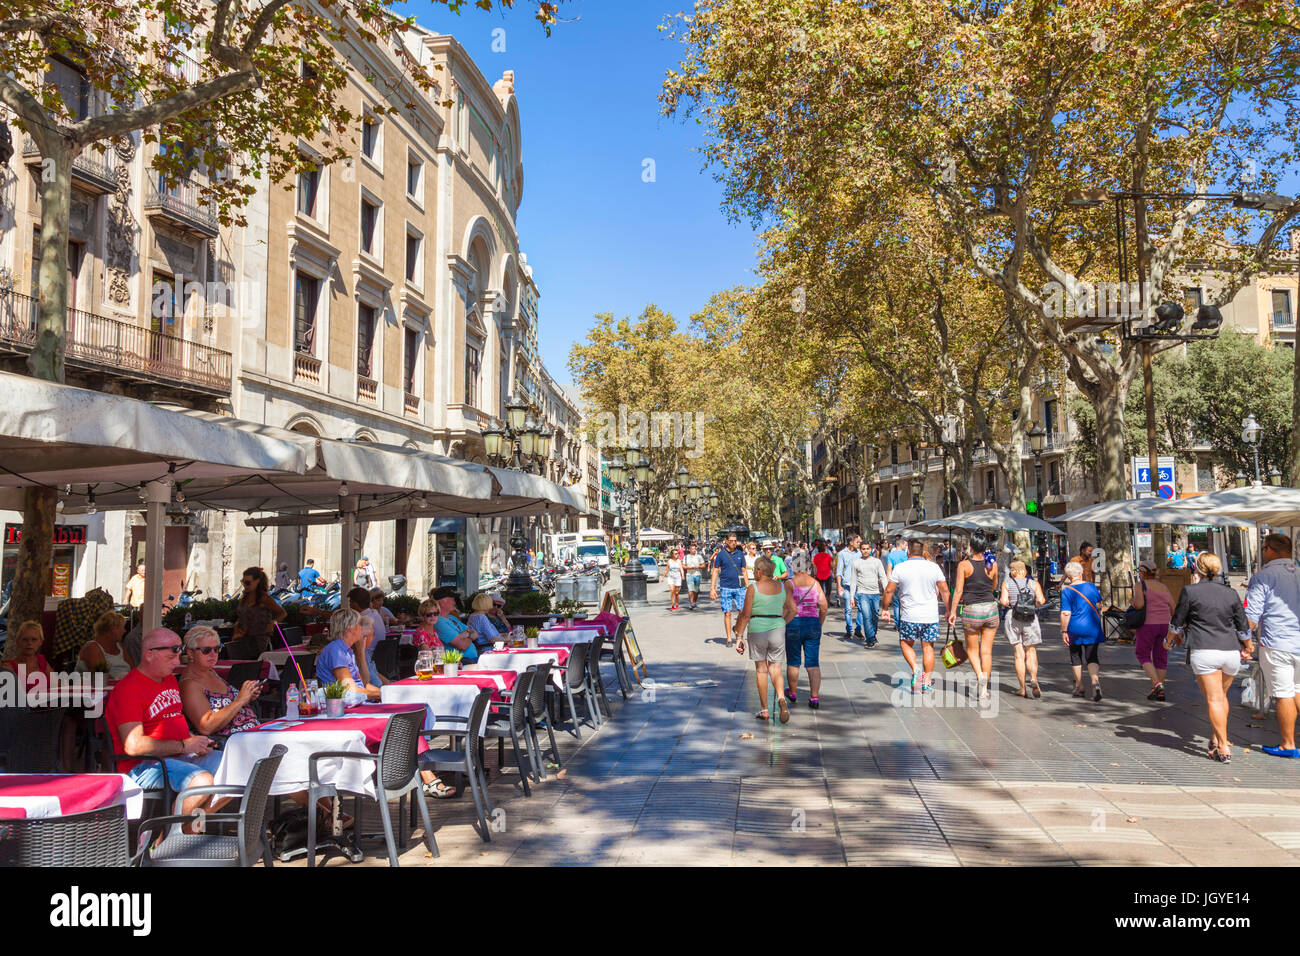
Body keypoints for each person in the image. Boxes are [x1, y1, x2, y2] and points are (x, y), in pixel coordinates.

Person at [106, 627, 222, 830]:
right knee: (202, 781)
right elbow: (133, 746)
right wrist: (183, 745)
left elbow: (172, 722)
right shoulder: (128, 689)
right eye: (171, 656)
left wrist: (195, 741)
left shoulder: (168, 679)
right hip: (142, 765)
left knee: (237, 766)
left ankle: (182, 833)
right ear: (150, 654)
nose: (177, 662)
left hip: (178, 755)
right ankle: (171, 842)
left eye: (178, 655)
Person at [1168, 552, 1251, 762]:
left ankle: (1223, 746)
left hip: (1204, 649)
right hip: (1230, 651)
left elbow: (1177, 622)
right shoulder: (1230, 593)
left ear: (1197, 568)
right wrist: (1248, 647)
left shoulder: (1190, 591)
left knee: (1213, 699)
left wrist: (1168, 640)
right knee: (1221, 697)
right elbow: (1242, 626)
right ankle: (1216, 737)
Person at [1245, 533, 1300, 758]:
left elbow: (1251, 616)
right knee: (1297, 689)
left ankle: (1288, 744)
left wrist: (1243, 640)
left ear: (1269, 549)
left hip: (1277, 642)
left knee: (1283, 693)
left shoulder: (1264, 576)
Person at [882, 540, 951, 694]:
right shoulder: (934, 567)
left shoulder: (900, 568)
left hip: (909, 616)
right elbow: (945, 591)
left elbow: (888, 591)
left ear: (908, 553)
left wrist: (885, 609)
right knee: (928, 648)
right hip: (930, 616)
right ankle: (926, 683)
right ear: (922, 552)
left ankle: (916, 668)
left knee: (905, 644)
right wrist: (949, 610)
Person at [734, 555, 795, 723]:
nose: (754, 572)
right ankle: (781, 697)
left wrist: (739, 636)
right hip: (777, 628)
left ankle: (764, 709)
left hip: (757, 628)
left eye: (755, 570)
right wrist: (782, 621)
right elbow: (793, 610)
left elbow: (745, 615)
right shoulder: (783, 587)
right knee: (775, 667)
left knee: (761, 669)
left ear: (760, 571)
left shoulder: (753, 588)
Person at [179, 626, 262, 744]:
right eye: (206, 650)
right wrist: (240, 700)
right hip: (232, 744)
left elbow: (227, 705)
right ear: (190, 653)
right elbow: (206, 726)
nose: (213, 654)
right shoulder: (190, 684)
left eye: (217, 649)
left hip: (253, 734)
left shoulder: (210, 672)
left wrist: (248, 696)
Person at [947, 531, 1001, 699]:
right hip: (991, 609)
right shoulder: (992, 564)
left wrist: (953, 611)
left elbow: (958, 591)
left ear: (970, 547)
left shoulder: (964, 565)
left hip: (972, 610)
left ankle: (980, 677)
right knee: (987, 651)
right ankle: (984, 690)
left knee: (972, 649)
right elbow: (995, 585)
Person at [1060, 560, 1105, 700]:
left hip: (1075, 627)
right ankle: (1095, 681)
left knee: (1075, 656)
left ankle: (1079, 686)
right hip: (1092, 627)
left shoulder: (1067, 590)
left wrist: (1064, 631)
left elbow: (1065, 613)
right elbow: (1099, 604)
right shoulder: (1091, 586)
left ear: (1068, 576)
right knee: (1092, 657)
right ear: (1081, 573)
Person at [1000, 560, 1045, 697]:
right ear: (1024, 570)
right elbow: (1042, 601)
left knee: (1018, 654)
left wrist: (1011, 602)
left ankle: (1022, 688)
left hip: (1013, 617)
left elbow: (1003, 601)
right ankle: (1033, 678)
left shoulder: (1007, 583)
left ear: (1012, 572)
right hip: (1030, 617)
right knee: (1031, 651)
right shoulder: (1033, 583)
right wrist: (1033, 603)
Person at [315, 607, 381, 700]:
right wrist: (381, 694)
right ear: (350, 628)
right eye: (359, 624)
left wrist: (383, 692)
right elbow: (350, 690)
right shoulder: (336, 650)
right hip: (341, 706)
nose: (361, 628)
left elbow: (363, 684)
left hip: (356, 701)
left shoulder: (347, 650)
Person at [785, 565, 827, 708]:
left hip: (793, 623)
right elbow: (823, 606)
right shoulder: (815, 583)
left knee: (793, 661)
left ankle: (792, 693)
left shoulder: (789, 584)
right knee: (813, 662)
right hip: (812, 623)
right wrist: (819, 623)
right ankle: (814, 697)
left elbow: (787, 607)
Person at [1131, 560, 1174, 701]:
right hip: (1165, 624)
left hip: (1148, 624)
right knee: (1160, 656)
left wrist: (1132, 602)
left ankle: (1157, 684)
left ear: (1143, 573)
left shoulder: (1140, 585)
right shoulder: (1163, 586)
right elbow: (1173, 606)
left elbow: (1139, 605)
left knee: (1142, 653)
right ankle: (1159, 691)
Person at [231, 566, 286, 655]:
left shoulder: (264, 598)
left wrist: (272, 623)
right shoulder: (244, 598)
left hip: (259, 640)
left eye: (247, 583)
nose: (244, 585)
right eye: (243, 582)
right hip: (242, 638)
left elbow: (282, 613)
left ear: (257, 582)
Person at [710, 532, 749, 647]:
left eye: (735, 541)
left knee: (742, 612)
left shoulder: (740, 554)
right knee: (727, 613)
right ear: (726, 541)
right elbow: (716, 571)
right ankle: (728, 638)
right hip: (725, 587)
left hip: (740, 588)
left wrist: (747, 587)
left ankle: (738, 630)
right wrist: (712, 588)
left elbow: (744, 570)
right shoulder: (721, 555)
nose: (733, 543)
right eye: (731, 541)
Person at [848, 540, 888, 648]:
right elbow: (853, 581)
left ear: (870, 549)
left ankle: (873, 635)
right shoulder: (856, 563)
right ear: (860, 550)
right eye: (863, 549)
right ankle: (870, 639)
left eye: (867, 549)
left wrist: (887, 591)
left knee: (874, 616)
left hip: (875, 593)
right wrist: (852, 597)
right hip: (862, 593)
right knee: (866, 616)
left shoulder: (877, 562)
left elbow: (883, 577)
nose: (865, 551)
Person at [77, 610, 134, 680]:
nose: (124, 631)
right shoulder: (92, 648)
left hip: (121, 686)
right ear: (110, 630)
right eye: (121, 628)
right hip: (102, 688)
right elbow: (103, 678)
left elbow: (134, 671)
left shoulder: (119, 646)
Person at [348, 586, 387, 687]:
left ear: (355, 604)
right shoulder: (375, 613)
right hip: (380, 658)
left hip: (369, 658)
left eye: (350, 602)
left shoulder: (362, 621)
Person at [431, 586, 479, 662]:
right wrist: (470, 636)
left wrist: (465, 635)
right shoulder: (439, 622)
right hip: (461, 662)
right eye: (452, 600)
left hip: (471, 659)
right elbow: (462, 645)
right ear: (443, 602)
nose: (454, 602)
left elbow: (475, 633)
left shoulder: (452, 618)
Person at [3, 620, 49, 692]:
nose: (29, 643)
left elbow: (58, 686)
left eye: (34, 639)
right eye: (25, 640)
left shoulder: (42, 661)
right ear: (18, 642)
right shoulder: (9, 667)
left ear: (40, 642)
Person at [835, 534, 863, 637]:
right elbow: (839, 571)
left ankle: (858, 629)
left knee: (861, 608)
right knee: (848, 609)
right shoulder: (842, 554)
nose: (859, 544)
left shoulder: (859, 553)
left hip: (859, 585)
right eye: (857, 542)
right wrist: (839, 586)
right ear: (851, 542)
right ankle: (849, 630)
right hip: (847, 585)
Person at [885, 536, 909, 628]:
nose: (905, 546)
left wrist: (888, 581)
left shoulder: (891, 555)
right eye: (905, 544)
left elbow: (889, 569)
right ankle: (905, 623)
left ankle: (897, 624)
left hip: (894, 581)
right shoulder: (906, 555)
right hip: (905, 581)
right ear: (901, 544)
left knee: (896, 604)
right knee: (905, 603)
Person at [683, 543, 705, 610]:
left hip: (697, 574)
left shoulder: (699, 556)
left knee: (696, 590)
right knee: (690, 590)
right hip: (689, 575)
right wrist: (688, 568)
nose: (694, 550)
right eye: (692, 549)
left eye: (695, 549)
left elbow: (703, 565)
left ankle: (694, 602)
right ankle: (691, 603)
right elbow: (683, 565)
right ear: (689, 550)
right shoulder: (686, 557)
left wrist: (697, 566)